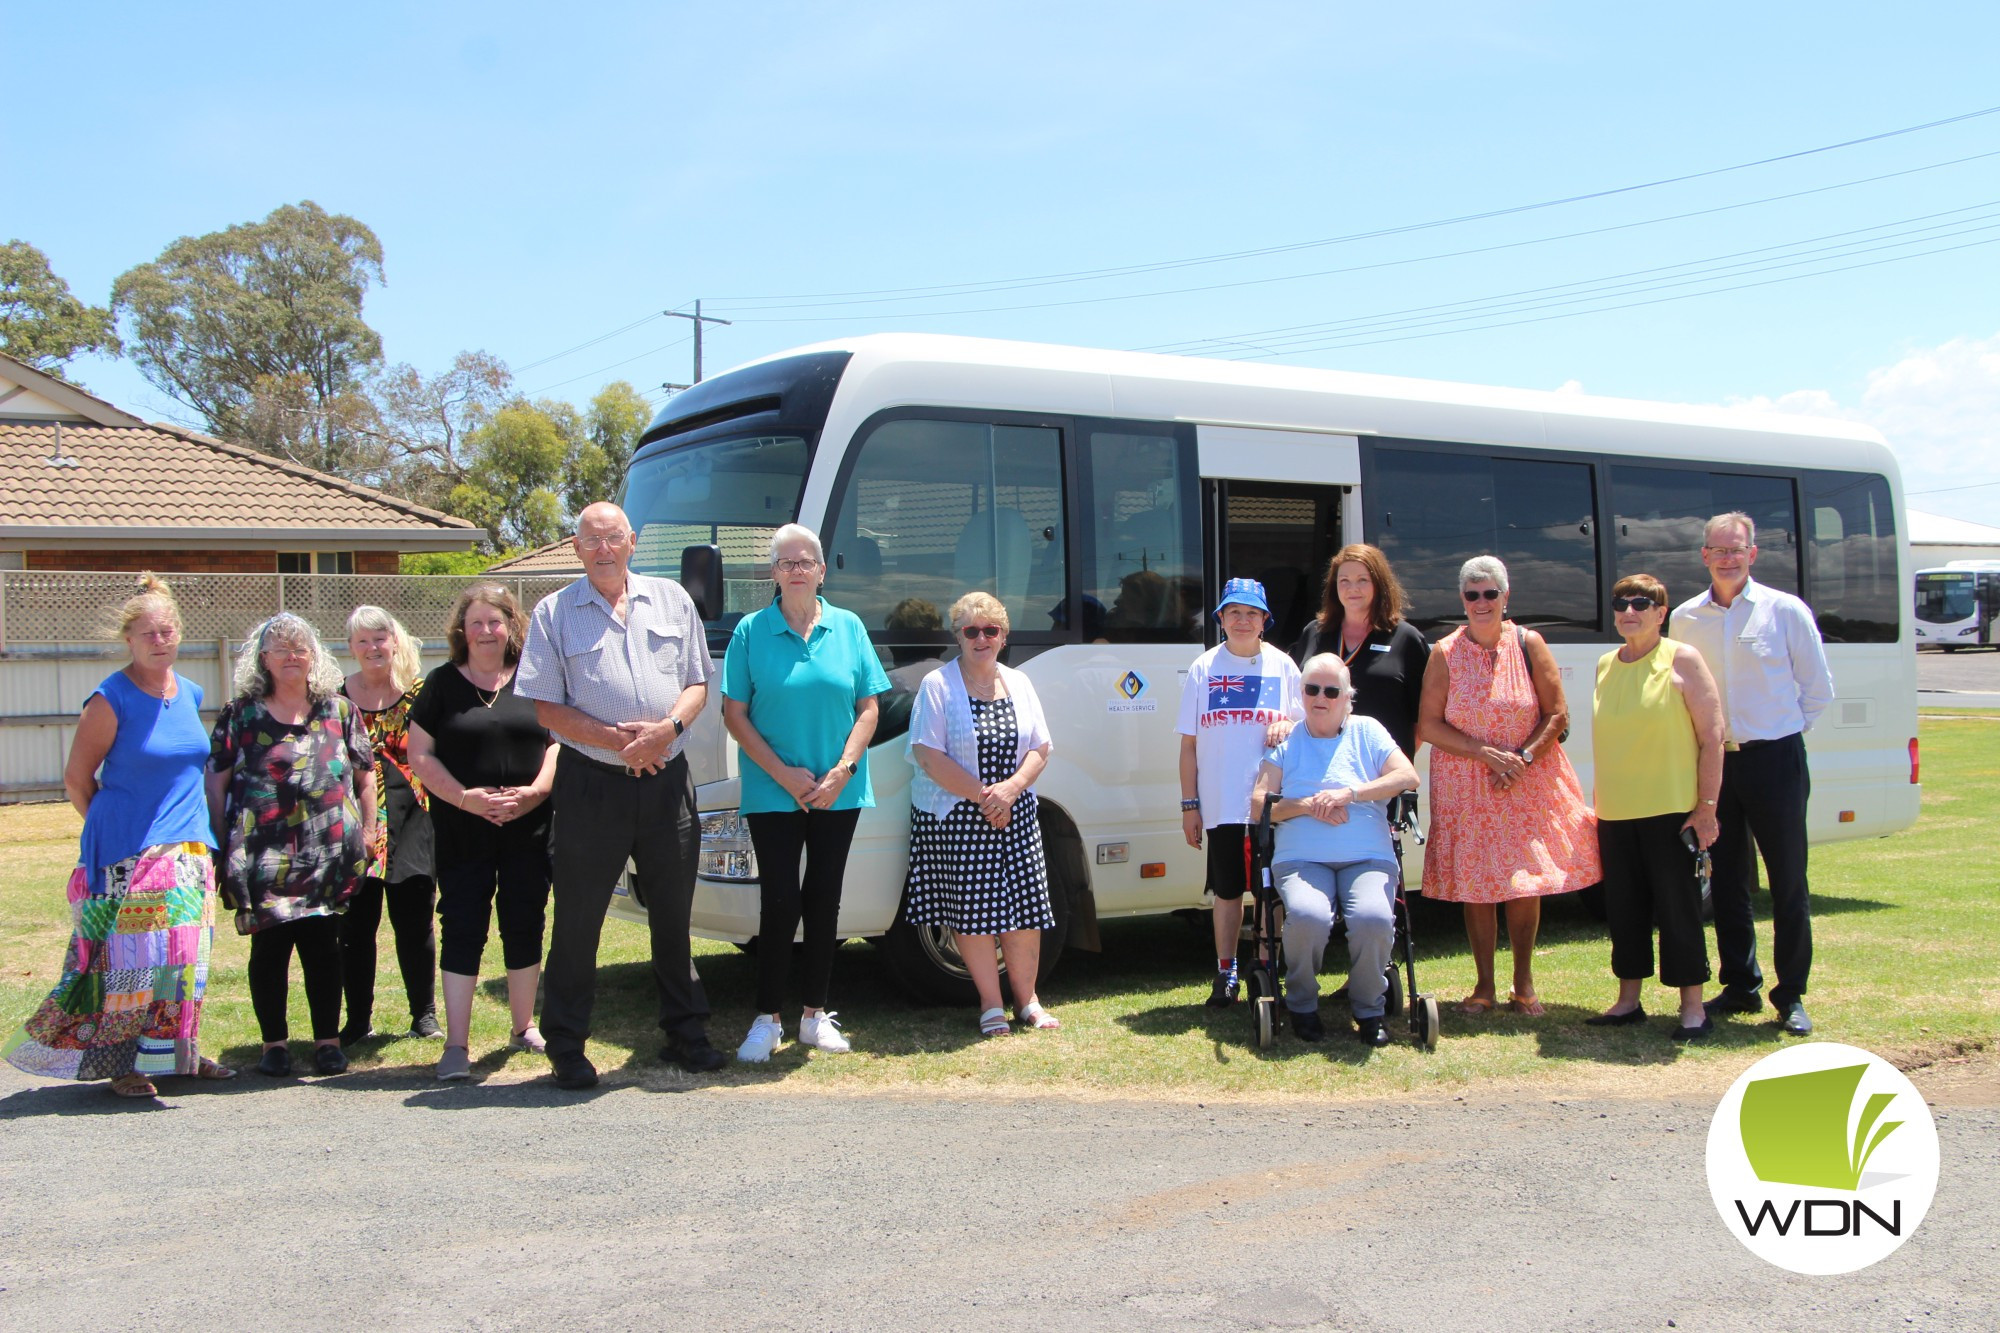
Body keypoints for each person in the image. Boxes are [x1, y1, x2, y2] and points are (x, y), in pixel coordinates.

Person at [3, 575, 234, 1097]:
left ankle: (182, 1053)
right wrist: (113, 833)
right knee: (128, 965)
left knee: (184, 960)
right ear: (128, 639)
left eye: (167, 630)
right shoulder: (110, 698)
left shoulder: (191, 691)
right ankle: (120, 1064)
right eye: (148, 632)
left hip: (188, 850)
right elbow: (76, 780)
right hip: (125, 853)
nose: (159, 640)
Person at [516, 501, 719, 1088]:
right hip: (590, 787)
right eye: (591, 540)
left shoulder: (673, 599)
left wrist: (667, 732)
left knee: (674, 919)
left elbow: (696, 682)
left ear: (632, 542)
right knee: (578, 921)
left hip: (667, 782)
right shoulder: (554, 613)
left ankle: (686, 1034)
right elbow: (546, 706)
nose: (603, 549)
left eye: (613, 538)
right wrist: (615, 740)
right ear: (576, 548)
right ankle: (568, 1047)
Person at [722, 524, 891, 1061]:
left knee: (824, 901)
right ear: (773, 573)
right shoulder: (751, 631)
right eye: (786, 562)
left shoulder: (849, 627)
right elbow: (735, 715)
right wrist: (782, 774)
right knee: (779, 902)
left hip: (837, 790)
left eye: (806, 561)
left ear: (822, 570)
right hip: (774, 792)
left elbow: (869, 707)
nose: (796, 570)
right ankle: (767, 1020)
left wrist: (843, 768)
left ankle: (815, 1016)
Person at [1670, 512, 1835, 1036]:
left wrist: (1779, 731)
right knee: (1727, 880)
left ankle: (1790, 996)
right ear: (1704, 556)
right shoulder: (1686, 618)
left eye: (1736, 548)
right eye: (1718, 549)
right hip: (1716, 762)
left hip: (1775, 759)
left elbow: (1817, 689)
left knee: (1788, 880)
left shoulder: (1784, 611)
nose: (1727, 557)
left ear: (1752, 553)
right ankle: (1741, 983)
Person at [1416, 556, 1599, 1017]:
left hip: (1524, 781)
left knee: (1523, 883)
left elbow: (1557, 713)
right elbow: (1429, 725)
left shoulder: (1528, 643)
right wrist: (1482, 752)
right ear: (1463, 600)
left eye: (1489, 593)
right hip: (1465, 782)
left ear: (1505, 597)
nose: (1481, 602)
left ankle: (1524, 985)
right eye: (1472, 594)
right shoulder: (1444, 653)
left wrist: (1522, 758)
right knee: (1477, 884)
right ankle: (1483, 987)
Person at [208, 613, 376, 1077]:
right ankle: (274, 1045)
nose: (291, 656)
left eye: (300, 647)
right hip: (264, 854)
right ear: (263, 658)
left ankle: (327, 1042)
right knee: (270, 952)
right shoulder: (240, 714)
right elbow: (216, 781)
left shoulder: (339, 710)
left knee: (324, 949)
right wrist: (221, 842)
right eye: (280, 648)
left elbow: (365, 773)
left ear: (314, 656)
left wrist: (368, 830)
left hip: (327, 853)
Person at [407, 584, 558, 1082]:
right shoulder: (440, 685)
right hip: (462, 829)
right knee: (463, 926)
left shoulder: (536, 679)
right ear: (462, 631)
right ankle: (456, 1044)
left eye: (495, 622)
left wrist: (534, 792)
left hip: (528, 827)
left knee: (524, 922)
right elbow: (420, 756)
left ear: (512, 627)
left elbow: (558, 743)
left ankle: (522, 1027)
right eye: (476, 623)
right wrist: (465, 798)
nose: (486, 631)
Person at [905, 592, 1060, 1038]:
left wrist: (1010, 791)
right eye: (971, 630)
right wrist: (984, 796)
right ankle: (991, 1005)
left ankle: (1027, 1001)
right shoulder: (938, 686)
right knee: (972, 914)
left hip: (1014, 811)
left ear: (1003, 636)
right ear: (958, 636)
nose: (981, 638)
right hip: (959, 816)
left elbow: (1041, 746)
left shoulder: (1020, 683)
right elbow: (927, 755)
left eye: (990, 630)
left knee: (1025, 912)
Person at [1250, 653, 1419, 1046]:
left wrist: (1350, 793)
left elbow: (1406, 775)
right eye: (1311, 689)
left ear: (1348, 698)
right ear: (1301, 694)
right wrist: (1311, 805)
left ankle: (1369, 1009)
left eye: (1331, 691)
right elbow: (1259, 805)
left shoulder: (1367, 731)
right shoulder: (1286, 741)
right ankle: (1303, 1005)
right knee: (1308, 916)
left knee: (1375, 919)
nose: (1320, 698)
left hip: (1368, 855)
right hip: (1301, 857)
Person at [1588, 575, 1726, 1040]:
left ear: (1661, 613)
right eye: (1621, 603)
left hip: (1672, 810)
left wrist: (1706, 807)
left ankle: (1692, 1007)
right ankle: (1628, 1000)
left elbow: (1712, 737)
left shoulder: (1681, 658)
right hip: (1616, 812)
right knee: (1624, 909)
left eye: (1641, 604)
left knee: (1678, 909)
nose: (1630, 611)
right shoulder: (1606, 663)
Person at [1176, 577, 1303, 1007]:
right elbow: (1189, 744)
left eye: (1252, 613)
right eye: (1234, 613)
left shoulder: (1284, 666)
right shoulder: (1204, 668)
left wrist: (1290, 727)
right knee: (1228, 893)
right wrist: (1189, 805)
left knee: (1270, 892)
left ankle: (1266, 971)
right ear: (1221, 620)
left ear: (1265, 620)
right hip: (1220, 805)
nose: (1243, 620)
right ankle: (1225, 973)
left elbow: (1309, 733)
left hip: (1271, 805)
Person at [340, 605, 439, 1044]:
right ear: (351, 649)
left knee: (414, 923)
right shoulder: (334, 698)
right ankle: (358, 1021)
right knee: (356, 928)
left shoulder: (421, 696)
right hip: (355, 824)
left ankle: (425, 1016)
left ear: (394, 641)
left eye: (379, 638)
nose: (372, 647)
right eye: (362, 641)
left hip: (414, 820)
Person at [1289, 544, 1431, 760]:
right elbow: (1295, 700)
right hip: (1317, 766)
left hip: (1380, 773)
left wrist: (1388, 761)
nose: (1352, 588)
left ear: (1379, 584)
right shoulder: (1314, 632)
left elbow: (1421, 720)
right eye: (1344, 580)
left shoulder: (1406, 638)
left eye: (1362, 580)